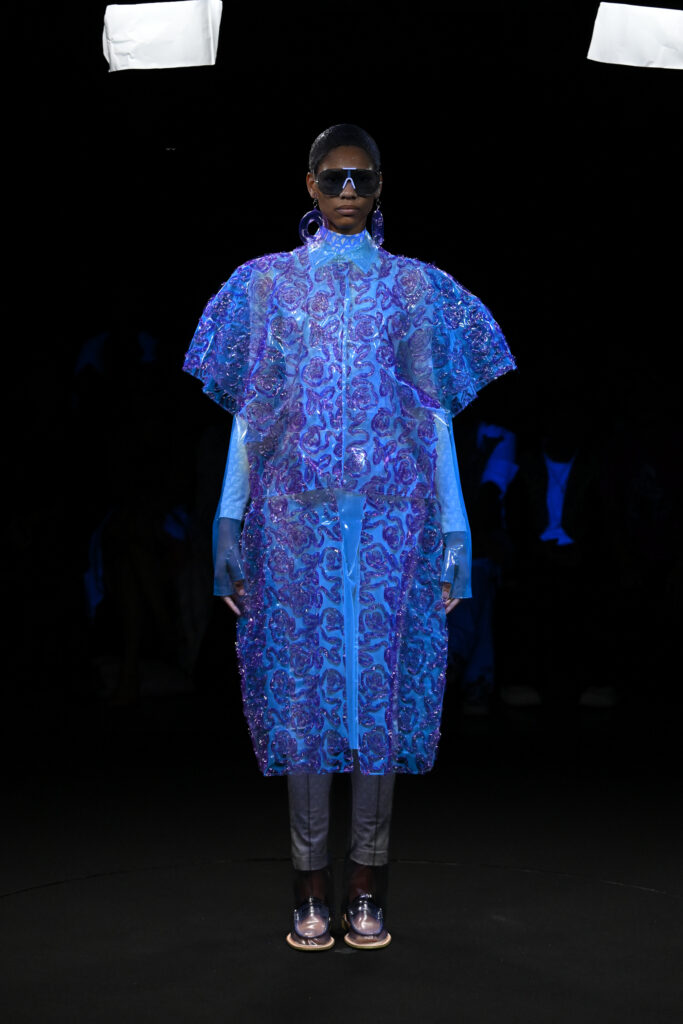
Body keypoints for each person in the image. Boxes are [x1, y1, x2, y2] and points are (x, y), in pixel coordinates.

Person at [183, 124, 515, 951]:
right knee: (302, 693)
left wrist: (454, 530)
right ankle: (308, 885)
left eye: (360, 178)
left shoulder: (413, 287)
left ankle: (366, 884)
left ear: (379, 186)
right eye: (332, 178)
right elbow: (251, 413)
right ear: (308, 183)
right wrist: (228, 522)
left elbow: (432, 414)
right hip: (294, 516)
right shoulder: (265, 285)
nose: (346, 192)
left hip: (392, 517)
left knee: (380, 695)